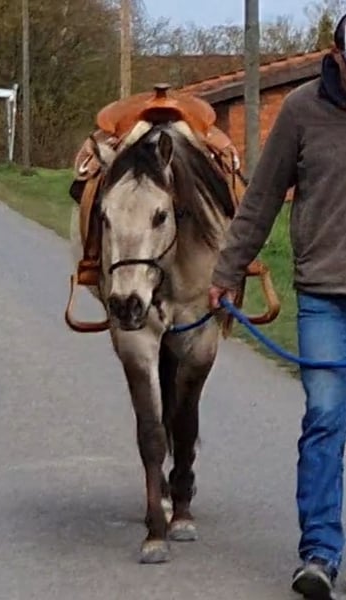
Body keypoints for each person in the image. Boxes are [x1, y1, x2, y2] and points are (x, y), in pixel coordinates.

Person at [208, 14, 346, 600]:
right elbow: (262, 197)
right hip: (323, 294)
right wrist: (226, 271)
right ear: (337, 56)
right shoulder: (301, 111)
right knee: (325, 417)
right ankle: (319, 554)